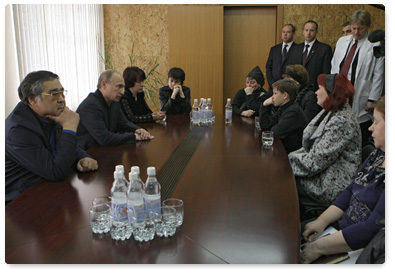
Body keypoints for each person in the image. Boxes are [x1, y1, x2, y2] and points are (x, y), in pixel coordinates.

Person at [300, 96, 385, 264]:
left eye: (376, 122)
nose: (370, 128)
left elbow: (371, 229)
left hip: (360, 247)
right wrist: (321, 221)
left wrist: (318, 247)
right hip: (341, 228)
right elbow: (351, 189)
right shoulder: (378, 154)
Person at [5, 71, 98, 204]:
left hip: (45, 187)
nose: (61, 99)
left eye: (62, 92)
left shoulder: (47, 114)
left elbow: (65, 144)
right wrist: (69, 127)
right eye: (54, 94)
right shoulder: (18, 131)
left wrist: (82, 156)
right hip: (19, 202)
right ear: (32, 100)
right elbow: (56, 171)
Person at [288, 74, 361, 206]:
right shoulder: (332, 112)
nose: (316, 92)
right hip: (323, 172)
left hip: (331, 184)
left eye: (319, 88)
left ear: (331, 93)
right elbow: (313, 152)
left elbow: (315, 162)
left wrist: (286, 163)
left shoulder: (342, 121)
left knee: (281, 182)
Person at [331, 9, 384, 147]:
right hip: (340, 90)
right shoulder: (342, 41)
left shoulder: (375, 44)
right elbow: (334, 65)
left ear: (367, 27)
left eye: (360, 29)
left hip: (361, 93)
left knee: (357, 127)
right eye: (353, 28)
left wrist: (373, 99)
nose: (356, 32)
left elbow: (379, 74)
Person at [77, 70, 153, 150]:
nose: (122, 92)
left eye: (123, 87)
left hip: (104, 151)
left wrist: (138, 129)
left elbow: (124, 123)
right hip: (87, 155)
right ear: (104, 84)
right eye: (119, 86)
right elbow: (104, 138)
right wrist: (133, 136)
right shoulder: (90, 105)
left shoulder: (114, 102)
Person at [259, 79, 307, 153]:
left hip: (291, 154)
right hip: (283, 149)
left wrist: (270, 129)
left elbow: (275, 132)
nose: (272, 97)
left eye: (275, 93)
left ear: (285, 95)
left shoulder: (293, 112)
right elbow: (266, 126)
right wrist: (265, 105)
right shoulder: (283, 108)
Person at [287, 20, 332, 91]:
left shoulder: (324, 49)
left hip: (315, 88)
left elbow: (326, 71)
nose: (308, 33)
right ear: (303, 31)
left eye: (312, 30)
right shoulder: (295, 48)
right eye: (306, 30)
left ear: (316, 32)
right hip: (297, 88)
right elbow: (290, 68)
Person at [266, 24, 297, 90]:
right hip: (274, 86)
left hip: (290, 87)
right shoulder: (274, 49)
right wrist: (272, 83)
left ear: (293, 34)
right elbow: (268, 67)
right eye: (283, 32)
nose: (285, 34)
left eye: (288, 32)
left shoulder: (298, 49)